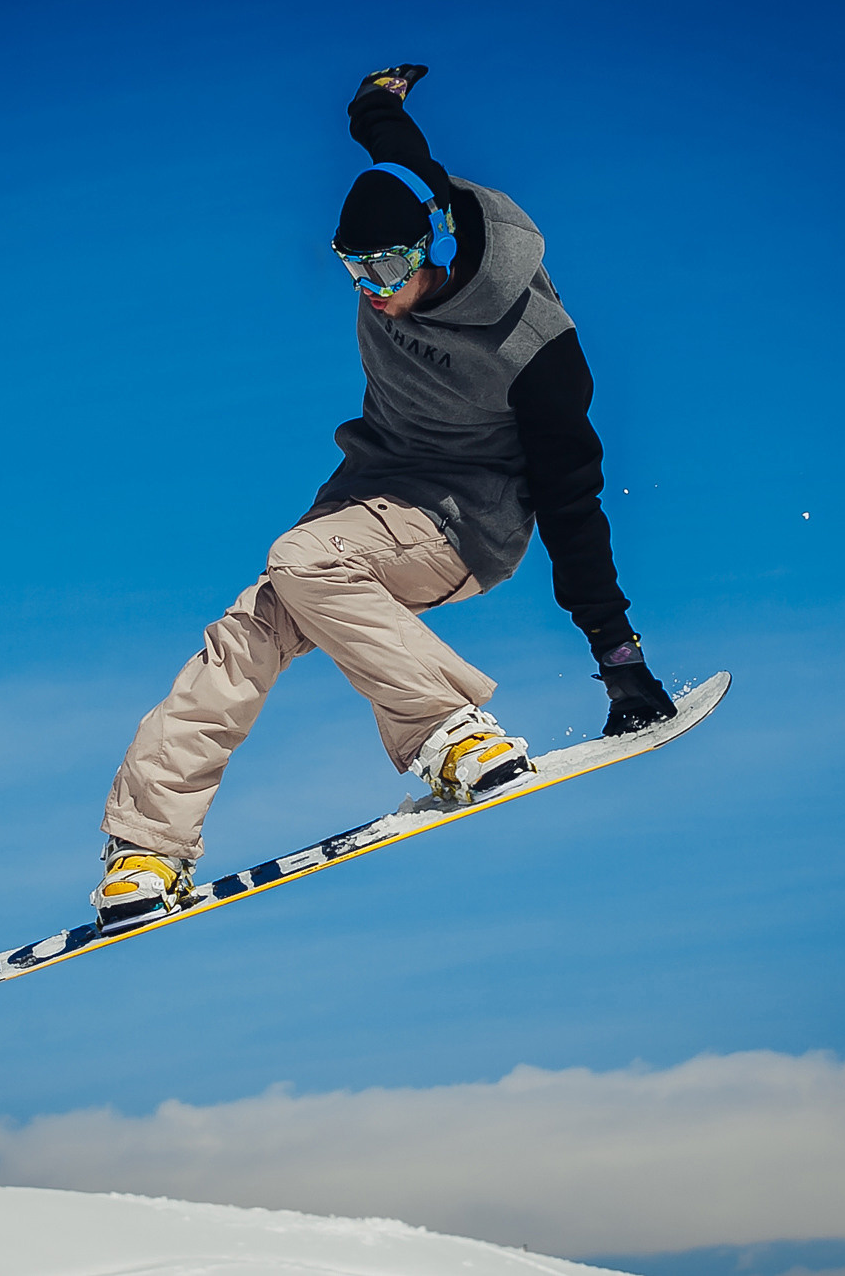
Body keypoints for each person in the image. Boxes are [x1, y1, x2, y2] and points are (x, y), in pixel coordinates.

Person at [90, 64, 677, 934]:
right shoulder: (409, 215)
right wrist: (374, 101)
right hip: (370, 495)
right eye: (352, 268)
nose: (372, 288)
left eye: (389, 265)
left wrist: (619, 657)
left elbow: (572, 499)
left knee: (298, 558)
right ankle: (147, 848)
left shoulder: (536, 348)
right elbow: (400, 151)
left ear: (435, 249)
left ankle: (451, 733)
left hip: (466, 522)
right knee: (251, 624)